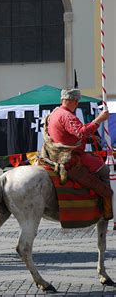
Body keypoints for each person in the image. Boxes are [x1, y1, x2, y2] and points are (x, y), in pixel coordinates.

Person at [46, 88, 112, 218]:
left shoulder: (55, 112)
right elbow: (81, 132)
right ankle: (108, 206)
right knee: (105, 171)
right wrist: (98, 120)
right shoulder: (67, 116)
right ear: (71, 101)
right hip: (70, 157)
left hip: (57, 154)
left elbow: (66, 136)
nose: (77, 104)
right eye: (76, 101)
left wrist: (88, 139)